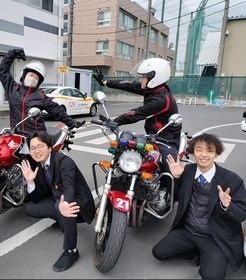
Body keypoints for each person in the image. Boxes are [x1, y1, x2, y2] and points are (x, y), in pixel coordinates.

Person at [152, 133, 246, 279]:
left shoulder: (232, 180)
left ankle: (211, 257)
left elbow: (242, 214)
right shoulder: (188, 171)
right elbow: (176, 197)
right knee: (159, 252)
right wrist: (176, 178)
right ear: (193, 152)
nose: (204, 155)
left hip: (214, 237)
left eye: (210, 150)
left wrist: (227, 206)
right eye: (199, 150)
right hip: (188, 230)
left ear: (216, 154)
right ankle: (199, 252)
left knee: (211, 276)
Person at [20, 131, 95, 272]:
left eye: (40, 146)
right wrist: (30, 182)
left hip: (78, 203)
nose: (36, 151)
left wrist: (64, 203)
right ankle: (62, 218)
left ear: (50, 147)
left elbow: (69, 187)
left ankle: (71, 251)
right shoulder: (40, 165)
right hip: (58, 199)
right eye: (33, 148)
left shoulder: (64, 161)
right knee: (30, 208)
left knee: (62, 207)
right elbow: (37, 197)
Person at [92, 58, 182, 175]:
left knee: (170, 170)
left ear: (154, 78)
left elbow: (136, 114)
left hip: (166, 139)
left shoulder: (161, 99)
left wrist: (115, 121)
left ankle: (174, 192)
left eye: (143, 76)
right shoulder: (153, 89)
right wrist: (105, 82)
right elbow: (129, 85)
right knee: (122, 153)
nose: (141, 79)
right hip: (152, 136)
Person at [0, 48, 85, 133]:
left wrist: (72, 123)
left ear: (38, 82)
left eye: (36, 78)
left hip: (36, 136)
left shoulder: (40, 96)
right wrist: (12, 54)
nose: (33, 79)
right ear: (24, 75)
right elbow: (3, 71)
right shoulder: (13, 89)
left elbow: (57, 111)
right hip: (16, 134)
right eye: (31, 75)